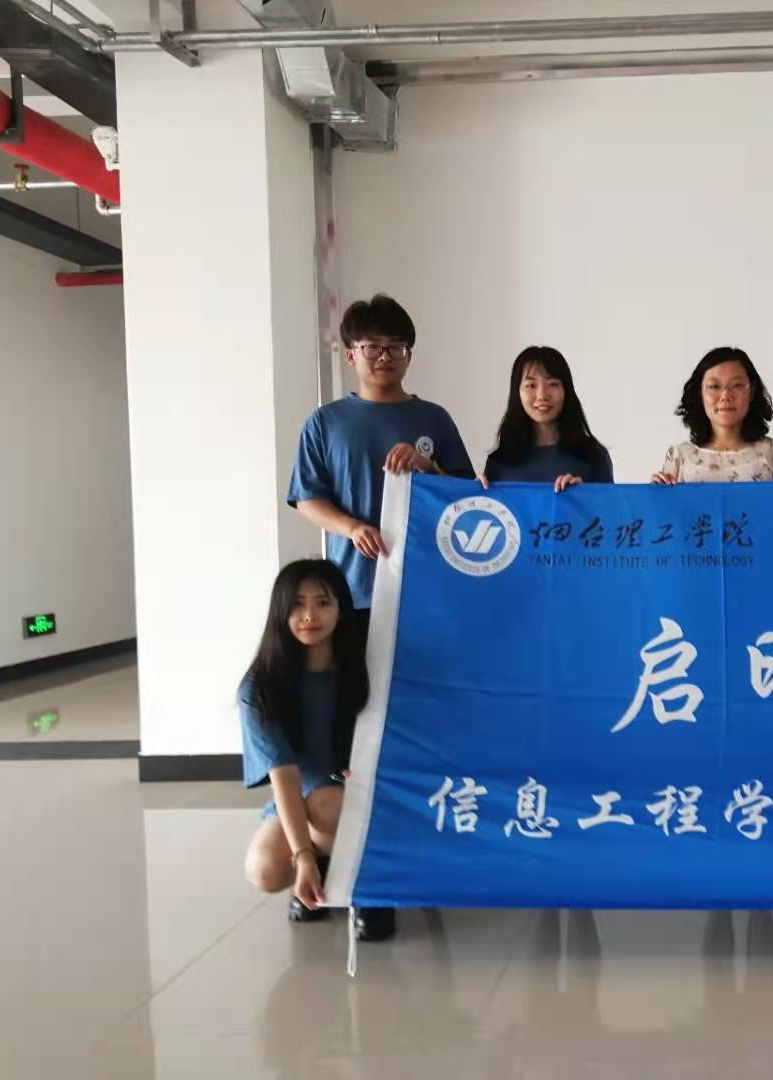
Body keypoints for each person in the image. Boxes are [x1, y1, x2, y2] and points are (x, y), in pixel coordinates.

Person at [239, 559, 395, 942]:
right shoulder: (259, 686)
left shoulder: (366, 668)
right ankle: (321, 866)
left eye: (322, 603)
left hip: (354, 793)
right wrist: (302, 856)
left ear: (341, 608)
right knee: (264, 869)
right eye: (297, 605)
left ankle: (369, 888)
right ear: (280, 612)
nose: (309, 616)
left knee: (328, 802)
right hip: (298, 797)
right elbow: (284, 777)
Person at [288, 295, 474, 614]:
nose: (385, 356)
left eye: (396, 347)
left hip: (427, 586)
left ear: (408, 356)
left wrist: (428, 467)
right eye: (372, 347)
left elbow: (467, 497)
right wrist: (352, 528)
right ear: (351, 355)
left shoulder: (435, 418)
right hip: (352, 589)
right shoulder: (324, 422)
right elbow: (307, 499)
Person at [652, 347, 773, 484]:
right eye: (714, 386)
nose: (725, 395)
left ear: (752, 392)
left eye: (737, 385)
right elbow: (665, 502)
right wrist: (656, 491)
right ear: (699, 394)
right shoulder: (680, 457)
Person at [483, 346, 614, 490]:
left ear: (566, 390)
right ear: (517, 392)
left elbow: (609, 504)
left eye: (553, 384)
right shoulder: (498, 461)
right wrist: (474, 490)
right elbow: (488, 504)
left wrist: (583, 495)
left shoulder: (594, 455)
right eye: (531, 385)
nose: (542, 396)